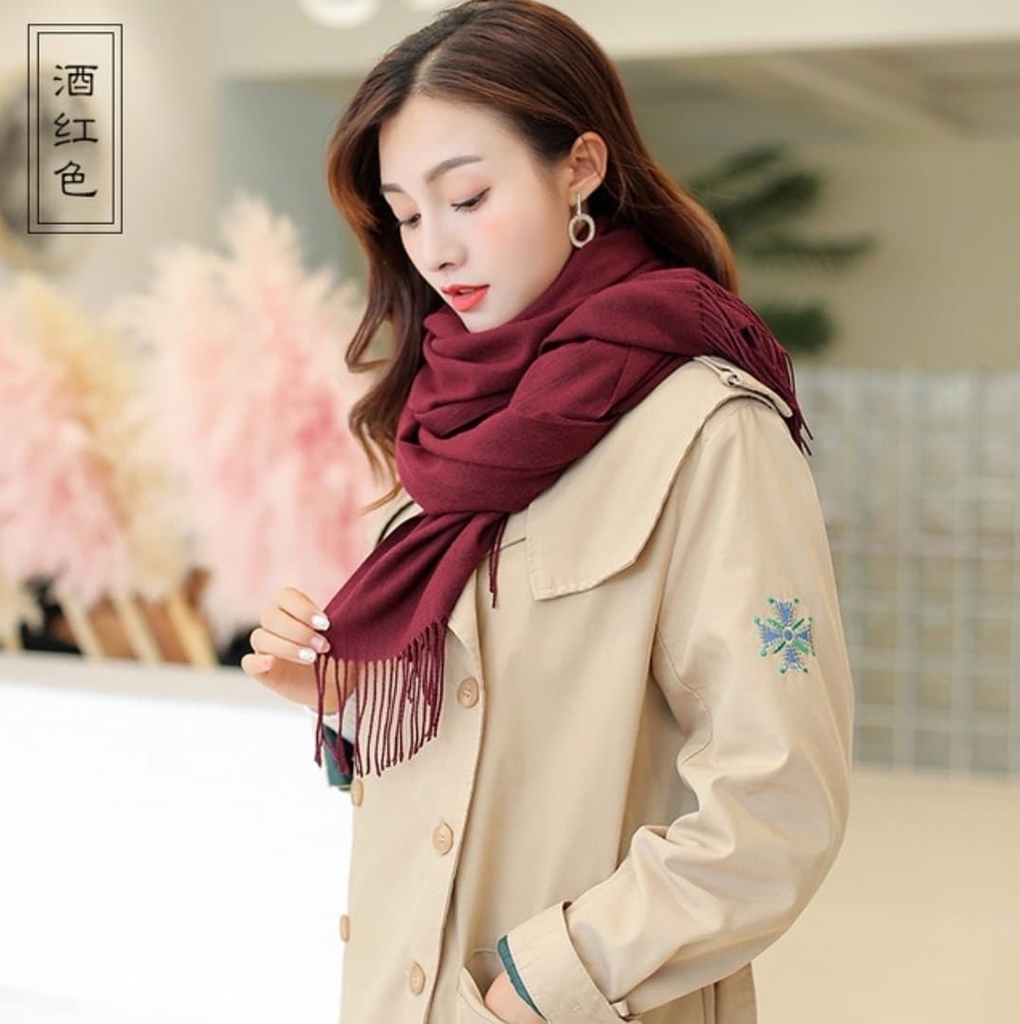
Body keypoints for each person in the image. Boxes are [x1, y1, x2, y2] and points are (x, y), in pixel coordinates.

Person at [240, 1, 855, 1022]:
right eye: (407, 214)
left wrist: (547, 979)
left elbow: (778, 801)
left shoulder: (709, 430)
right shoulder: (444, 427)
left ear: (581, 169)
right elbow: (502, 721)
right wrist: (347, 696)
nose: (435, 249)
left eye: (467, 197)